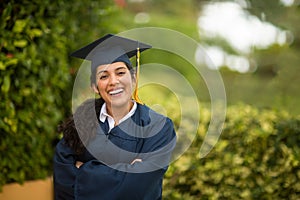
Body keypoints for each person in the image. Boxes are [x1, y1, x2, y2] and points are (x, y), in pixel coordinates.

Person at [53, 34, 177, 200]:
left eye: (120, 73)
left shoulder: (158, 127)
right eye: (104, 76)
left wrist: (83, 171)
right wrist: (126, 170)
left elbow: (139, 186)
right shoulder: (80, 124)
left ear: (133, 79)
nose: (113, 82)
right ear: (95, 87)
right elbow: (63, 182)